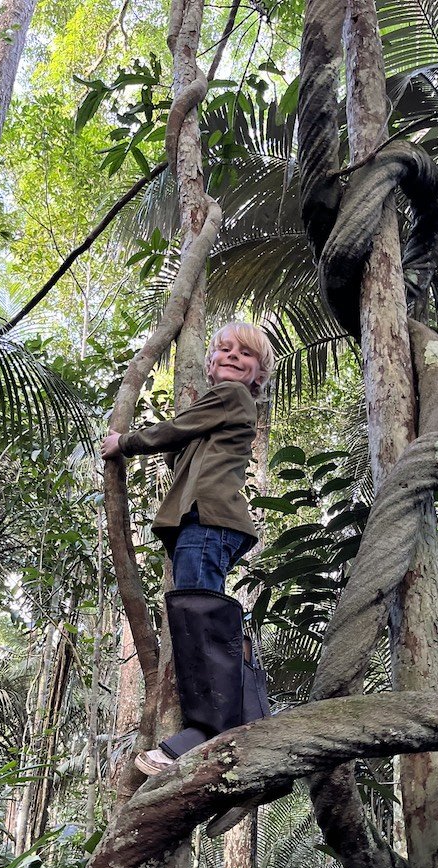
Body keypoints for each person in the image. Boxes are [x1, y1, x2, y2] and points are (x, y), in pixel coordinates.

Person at [101, 321, 275, 777]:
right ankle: (248, 719)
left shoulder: (234, 397)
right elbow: (184, 444)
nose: (233, 356)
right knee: (202, 618)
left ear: (257, 376)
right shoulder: (216, 410)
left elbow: (173, 431)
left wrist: (125, 443)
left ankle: (204, 729)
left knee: (199, 619)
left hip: (209, 519)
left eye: (246, 354)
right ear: (210, 364)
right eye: (224, 350)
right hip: (203, 523)